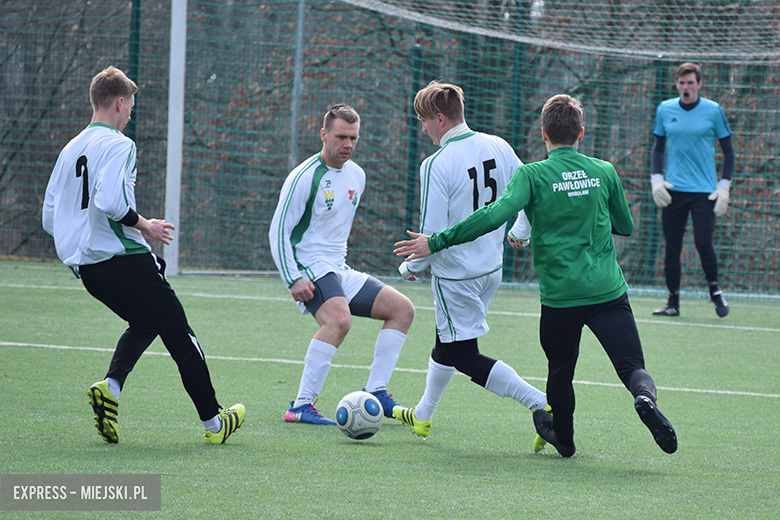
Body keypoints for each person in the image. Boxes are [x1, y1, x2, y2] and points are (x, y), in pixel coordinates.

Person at [394, 94, 677, 457]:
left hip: (558, 296)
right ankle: (643, 397)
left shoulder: (532, 174)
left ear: (544, 133)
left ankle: (564, 438)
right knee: (632, 366)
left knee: (558, 372)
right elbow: (625, 225)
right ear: (581, 133)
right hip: (606, 290)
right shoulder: (604, 170)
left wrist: (437, 242)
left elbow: (495, 215)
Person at [42, 66, 245, 444]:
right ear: (120, 102)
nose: (131, 113)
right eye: (131, 105)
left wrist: (81, 244)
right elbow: (111, 201)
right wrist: (144, 225)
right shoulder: (120, 144)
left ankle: (111, 387)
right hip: (125, 261)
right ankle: (215, 423)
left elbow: (49, 218)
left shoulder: (69, 149)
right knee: (182, 335)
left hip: (88, 270)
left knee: (146, 322)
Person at [392, 81, 547, 440]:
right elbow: (530, 192)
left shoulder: (436, 164)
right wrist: (520, 232)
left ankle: (540, 402)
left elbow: (430, 235)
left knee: (463, 354)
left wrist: (410, 267)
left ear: (441, 119)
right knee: (446, 342)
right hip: (490, 270)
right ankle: (423, 415)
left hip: (456, 275)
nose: (423, 127)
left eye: (424, 119)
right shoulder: (499, 145)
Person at [269, 104, 415, 425]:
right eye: (340, 137)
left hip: (338, 268)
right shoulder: (304, 177)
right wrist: (293, 277)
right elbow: (278, 231)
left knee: (402, 309)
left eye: (353, 138)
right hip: (309, 266)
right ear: (324, 135)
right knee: (339, 322)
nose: (347, 144)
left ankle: (376, 390)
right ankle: (301, 406)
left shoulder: (357, 175)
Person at [651, 62, 735, 318]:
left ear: (699, 84)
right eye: (681, 83)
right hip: (674, 190)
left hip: (704, 192)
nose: (686, 87)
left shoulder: (713, 111)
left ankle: (715, 292)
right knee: (672, 246)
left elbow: (729, 152)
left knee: (703, 241)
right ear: (676, 84)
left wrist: (724, 187)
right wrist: (656, 179)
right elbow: (658, 149)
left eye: (690, 83)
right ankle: (673, 301)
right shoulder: (665, 109)